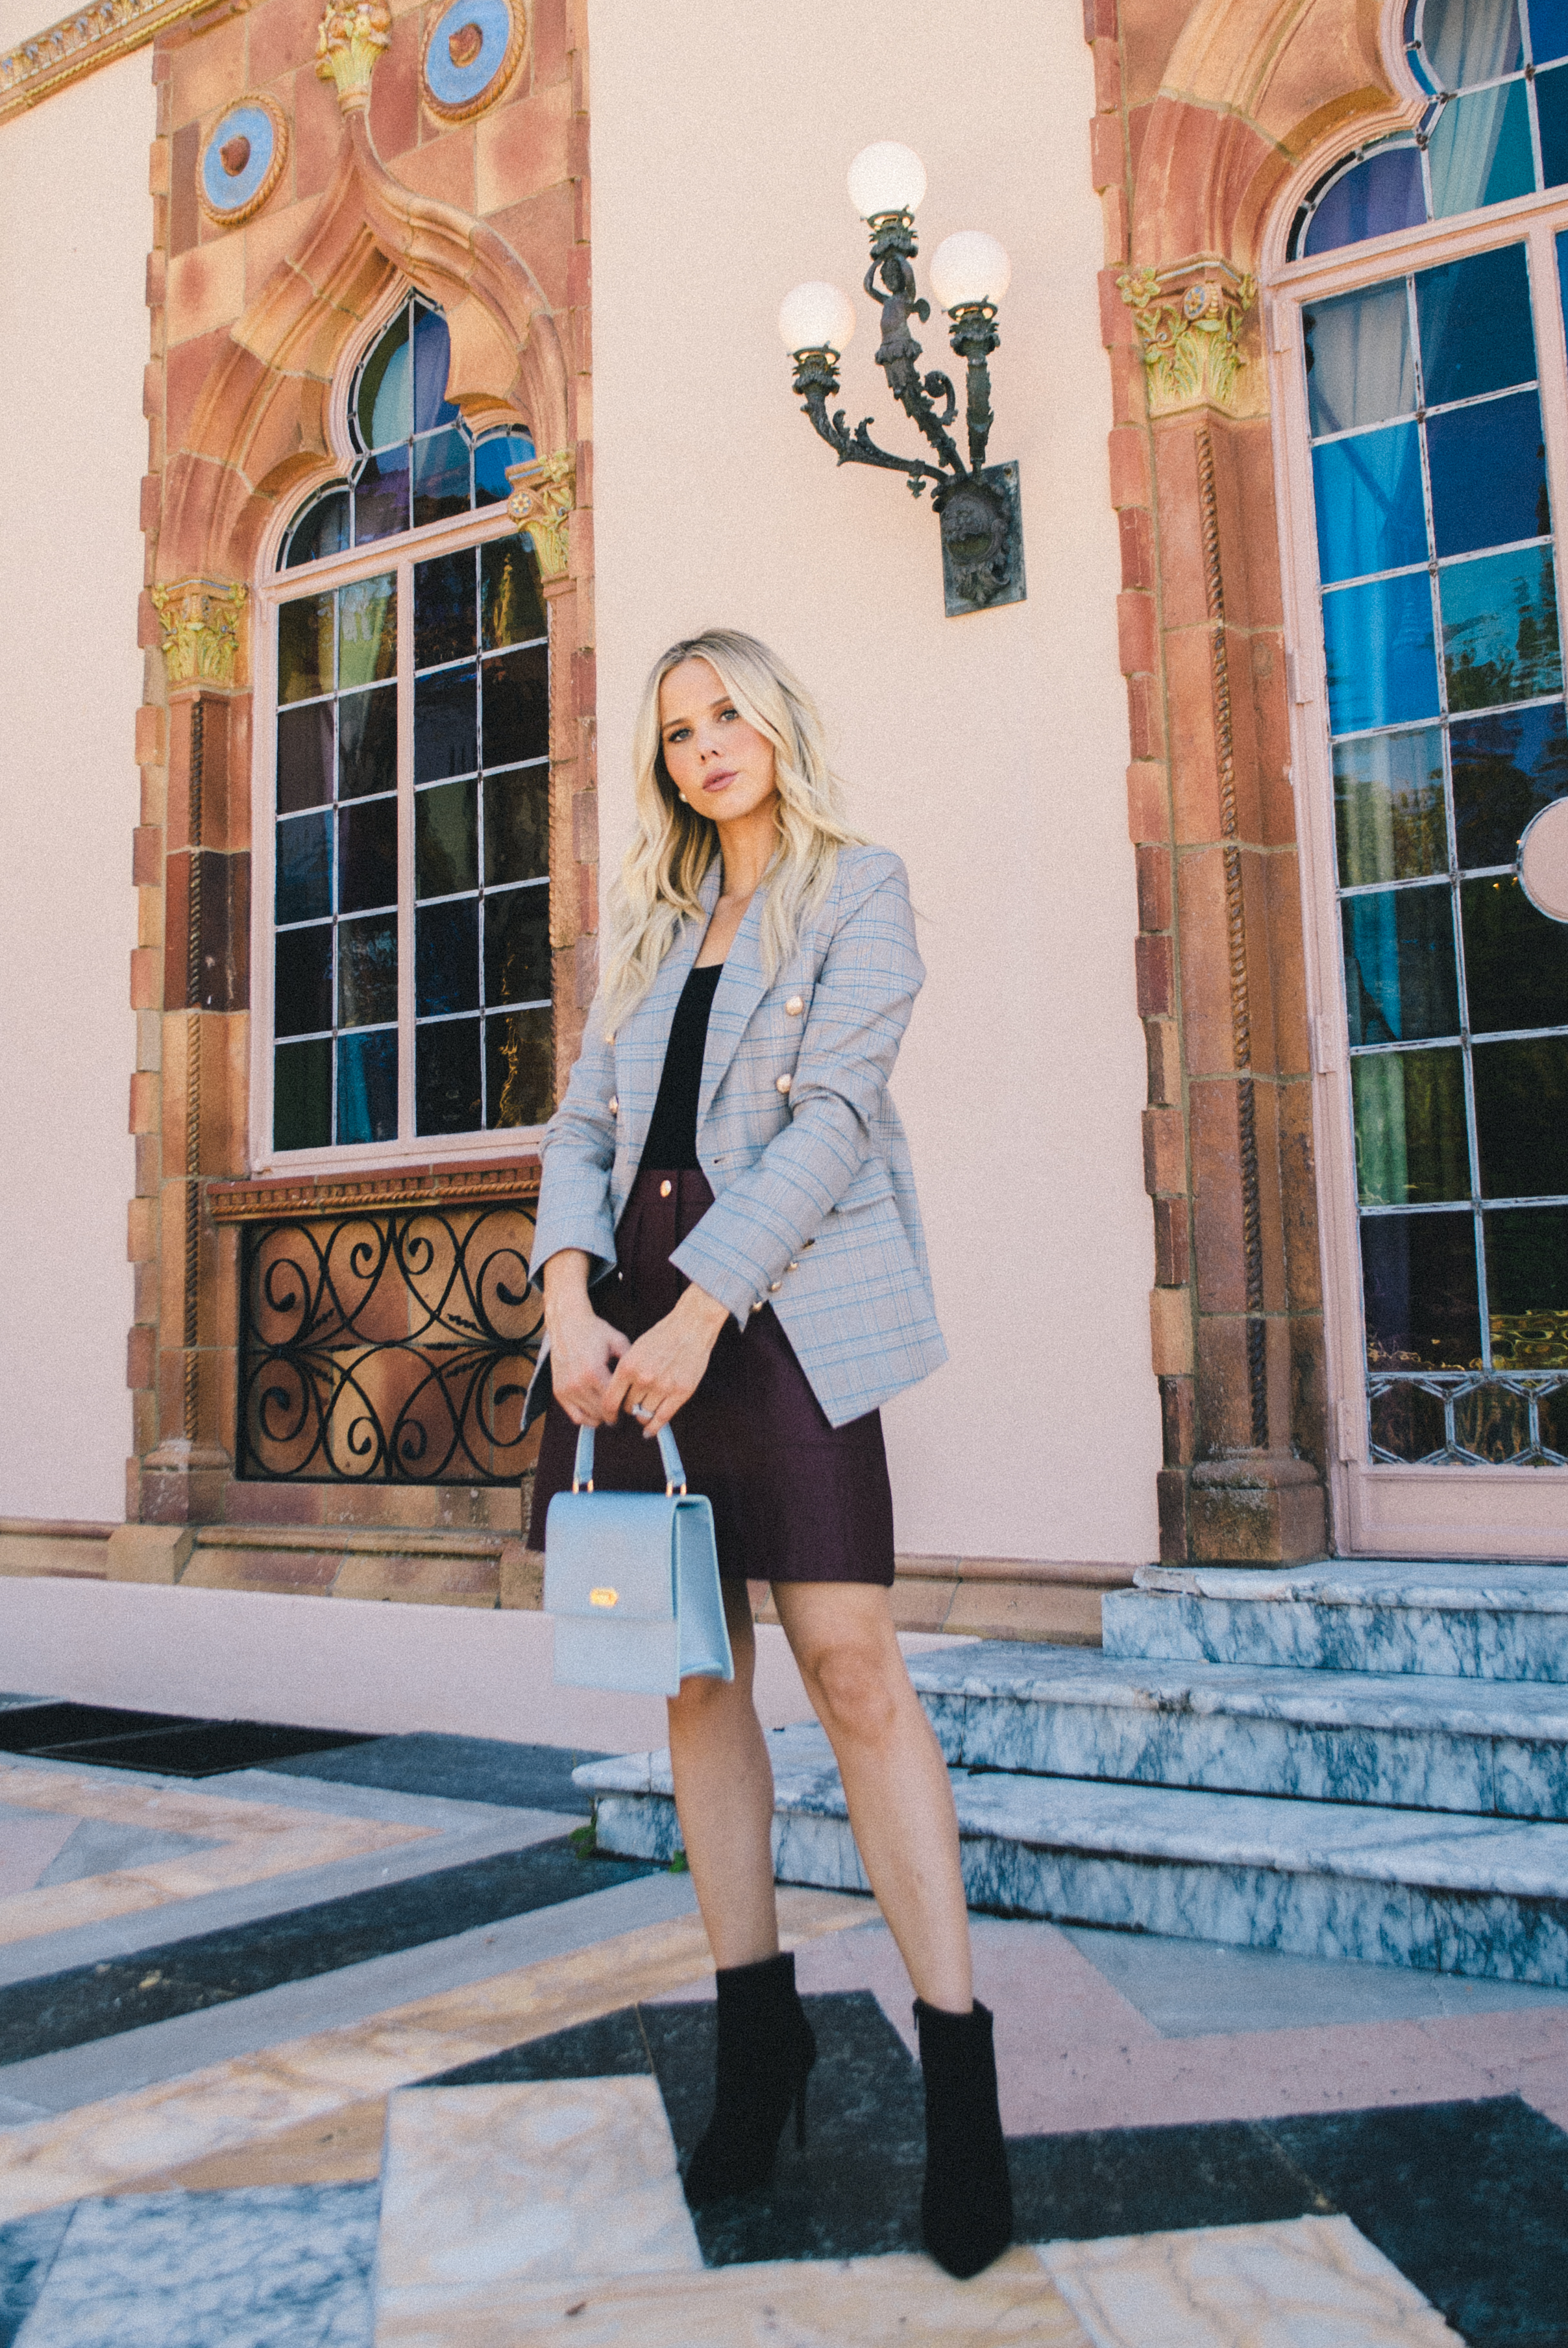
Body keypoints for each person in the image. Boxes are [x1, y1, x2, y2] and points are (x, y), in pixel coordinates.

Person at [526, 628, 1013, 2282]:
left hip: (780, 1320)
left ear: (779, 725)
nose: (704, 747)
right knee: (696, 1680)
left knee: (853, 1665)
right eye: (677, 731)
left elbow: (837, 1117)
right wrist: (571, 1299)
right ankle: (761, 2051)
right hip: (629, 1331)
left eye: (727, 714)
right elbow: (586, 1130)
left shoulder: (856, 887)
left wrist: (704, 1309)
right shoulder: (657, 928)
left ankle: (960, 2094)